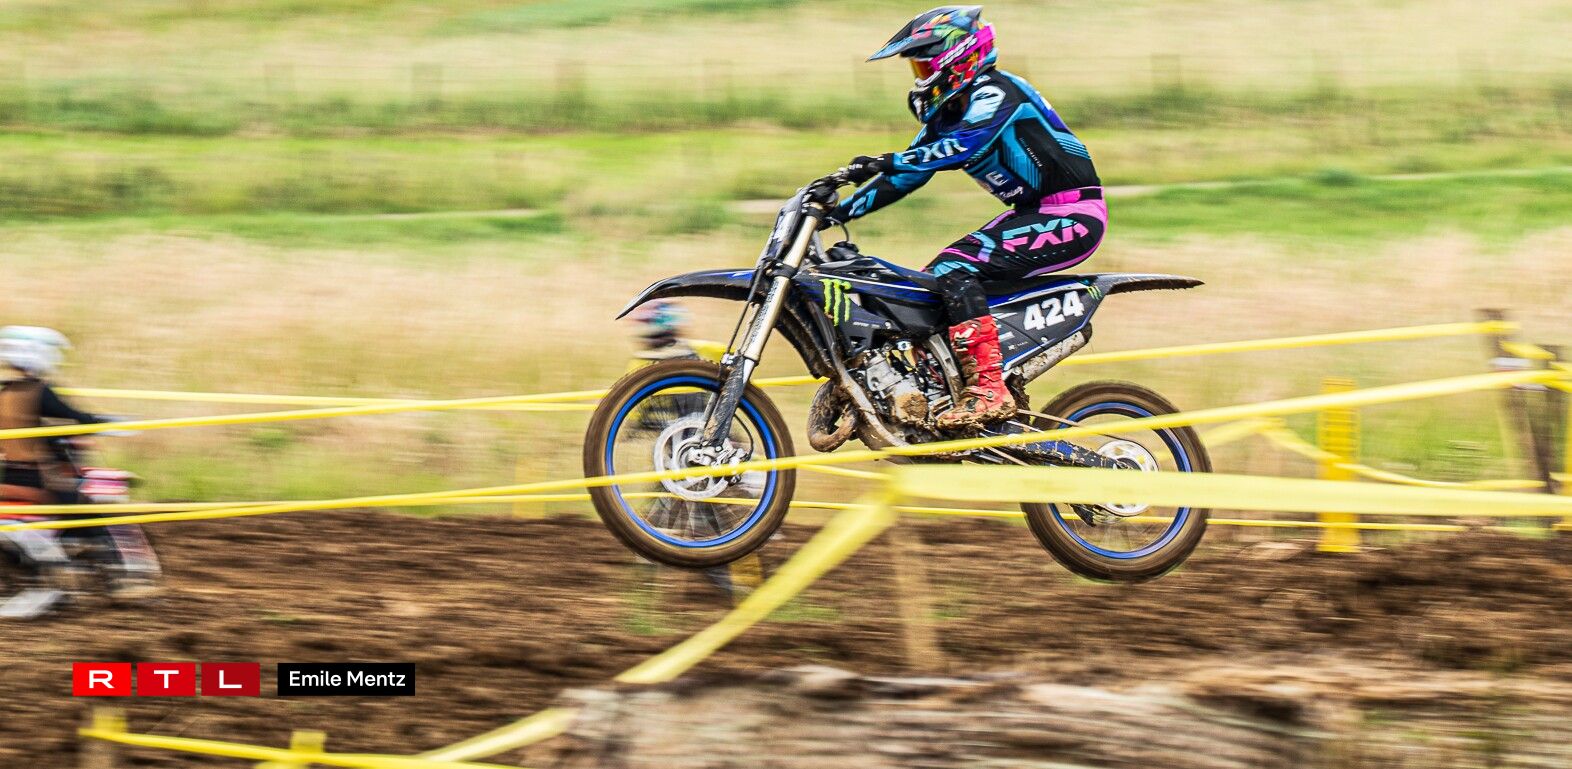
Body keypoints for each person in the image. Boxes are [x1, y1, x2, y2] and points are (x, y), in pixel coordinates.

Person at [825, 5, 1106, 429]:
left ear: (958, 56)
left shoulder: (998, 92)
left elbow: (962, 147)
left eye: (924, 65)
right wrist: (836, 212)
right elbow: (909, 174)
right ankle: (942, 384)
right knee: (931, 282)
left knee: (955, 269)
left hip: (1073, 214)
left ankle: (988, 390)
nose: (920, 77)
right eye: (915, 69)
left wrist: (885, 160)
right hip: (1033, 213)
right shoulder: (951, 111)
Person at [0, 326, 100, 503]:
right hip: (36, 478)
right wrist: (99, 422)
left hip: (9, 473)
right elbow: (73, 416)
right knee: (82, 505)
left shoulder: (6, 390)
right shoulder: (40, 391)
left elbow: (27, 425)